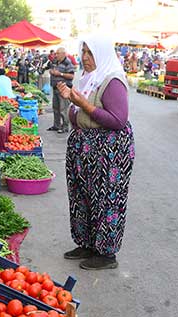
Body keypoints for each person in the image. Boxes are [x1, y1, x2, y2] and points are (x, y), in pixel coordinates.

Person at [56, 35, 133, 271]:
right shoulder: (86, 79)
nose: (85, 57)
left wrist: (84, 105)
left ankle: (107, 254)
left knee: (105, 199)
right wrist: (70, 101)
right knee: (83, 198)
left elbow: (118, 120)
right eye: (83, 52)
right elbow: (76, 117)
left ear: (102, 54)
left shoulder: (112, 81)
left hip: (108, 152)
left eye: (90, 53)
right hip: (85, 148)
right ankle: (87, 244)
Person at [48, 47, 76, 134]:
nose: (56, 55)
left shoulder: (68, 63)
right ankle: (56, 125)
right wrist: (51, 72)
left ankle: (65, 127)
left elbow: (71, 76)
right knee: (55, 108)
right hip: (55, 88)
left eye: (58, 54)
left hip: (63, 89)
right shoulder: (55, 61)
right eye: (55, 53)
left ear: (63, 54)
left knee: (63, 109)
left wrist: (60, 74)